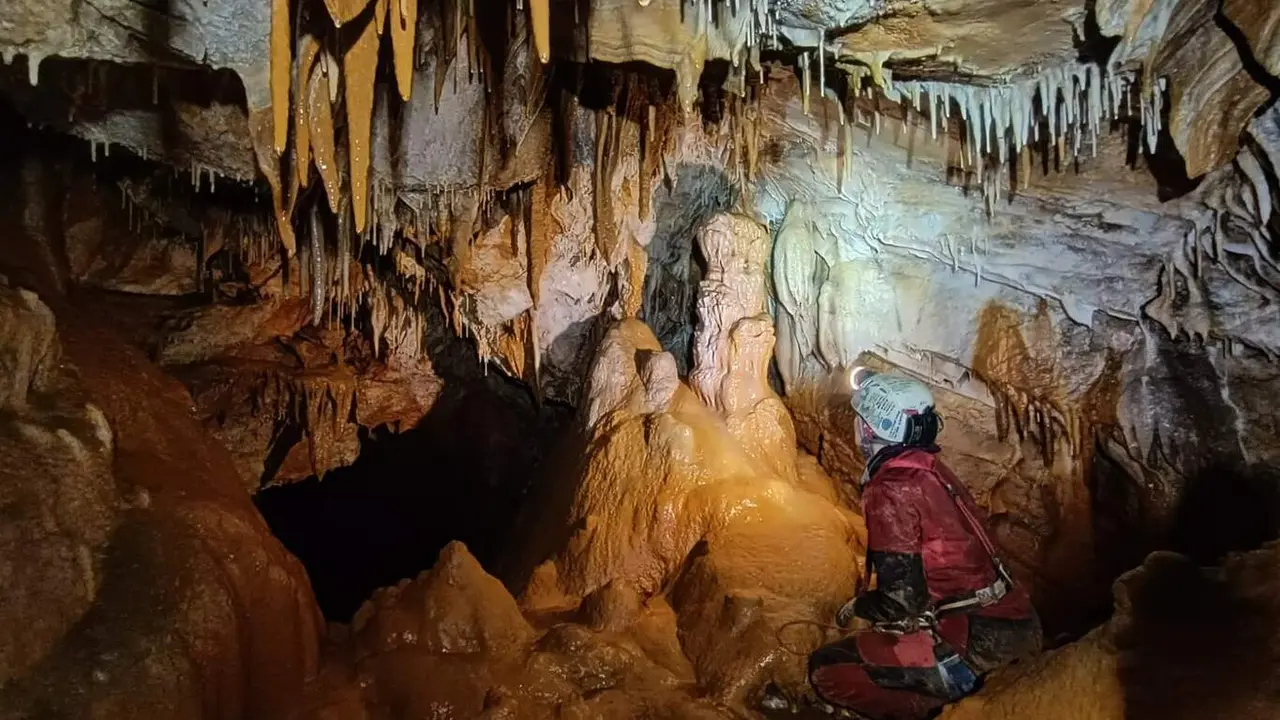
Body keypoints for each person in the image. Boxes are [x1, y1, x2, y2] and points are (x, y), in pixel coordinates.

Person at [808, 368, 1042, 719]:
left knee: (829, 669)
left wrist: (862, 606)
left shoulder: (892, 488)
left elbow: (902, 601)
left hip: (976, 645)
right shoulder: (929, 468)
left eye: (860, 419)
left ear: (870, 429)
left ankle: (938, 712)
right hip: (1017, 624)